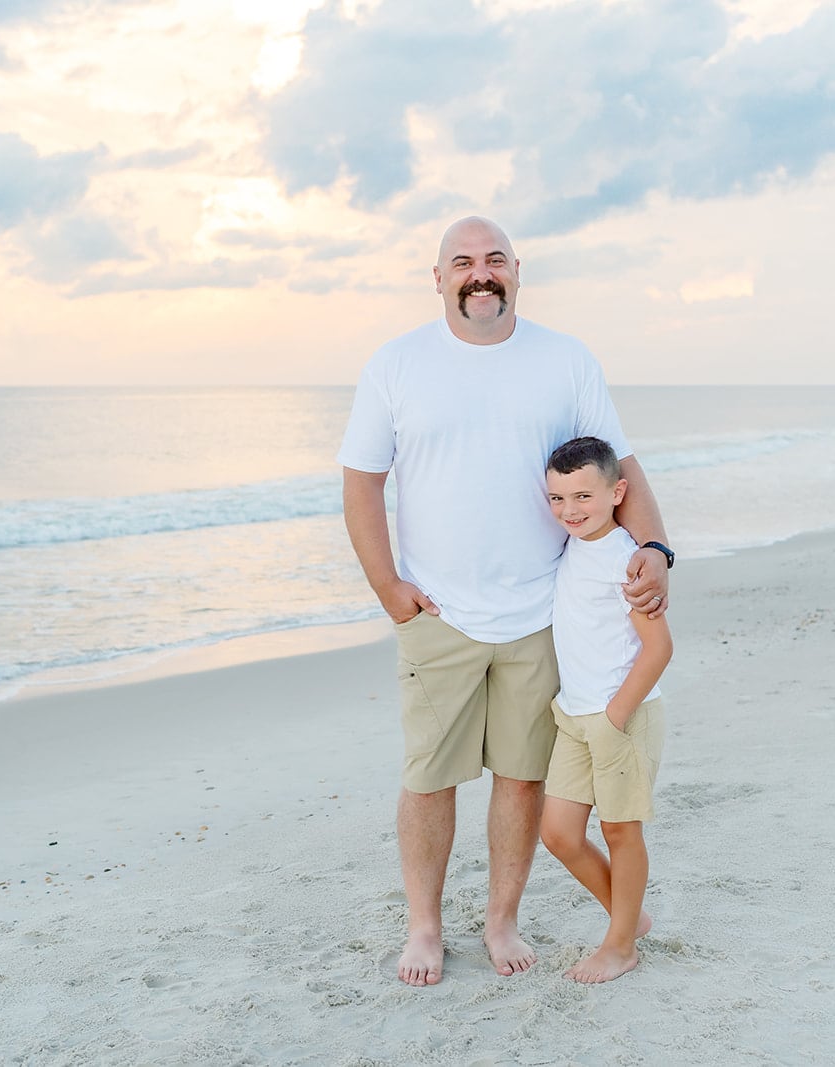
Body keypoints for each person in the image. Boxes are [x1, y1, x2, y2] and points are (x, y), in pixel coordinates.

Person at [337, 216, 675, 986]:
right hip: (437, 615)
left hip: (538, 614)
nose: (479, 272)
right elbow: (362, 481)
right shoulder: (396, 364)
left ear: (517, 271)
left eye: (494, 259)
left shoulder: (565, 359)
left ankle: (501, 919)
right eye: (463, 261)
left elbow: (620, 465)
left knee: (521, 778)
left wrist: (654, 550)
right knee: (429, 776)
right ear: (438, 277)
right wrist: (389, 588)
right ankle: (424, 927)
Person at [538, 436, 672, 983]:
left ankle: (620, 946)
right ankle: (629, 917)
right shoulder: (572, 545)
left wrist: (616, 715)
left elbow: (659, 647)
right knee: (560, 835)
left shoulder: (627, 559)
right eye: (557, 498)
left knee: (621, 831)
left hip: (621, 715)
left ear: (618, 492)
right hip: (573, 715)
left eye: (583, 496)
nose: (570, 510)